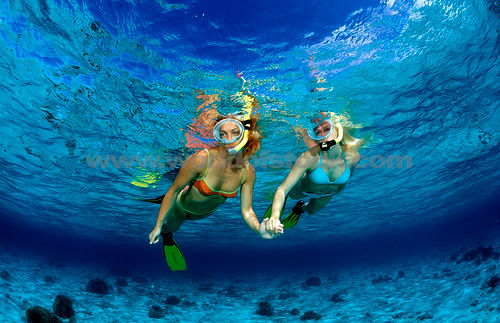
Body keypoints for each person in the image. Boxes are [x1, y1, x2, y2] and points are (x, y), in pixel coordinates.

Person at [147, 92, 283, 271]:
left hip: (205, 213)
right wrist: (157, 226)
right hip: (181, 208)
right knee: (169, 229)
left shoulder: (248, 172)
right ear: (216, 135)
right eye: (222, 134)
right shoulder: (201, 159)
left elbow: (248, 211)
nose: (228, 141)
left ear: (245, 134)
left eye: (235, 133)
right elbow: (173, 191)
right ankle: (167, 235)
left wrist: (259, 230)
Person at [263, 112, 363, 231]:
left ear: (337, 129)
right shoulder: (309, 157)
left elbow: (346, 178)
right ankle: (281, 204)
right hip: (301, 190)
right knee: (289, 195)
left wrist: (337, 188)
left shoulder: (353, 157)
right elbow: (282, 189)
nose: (323, 136)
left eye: (327, 129)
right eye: (317, 132)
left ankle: (299, 208)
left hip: (326, 195)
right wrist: (274, 217)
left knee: (311, 211)